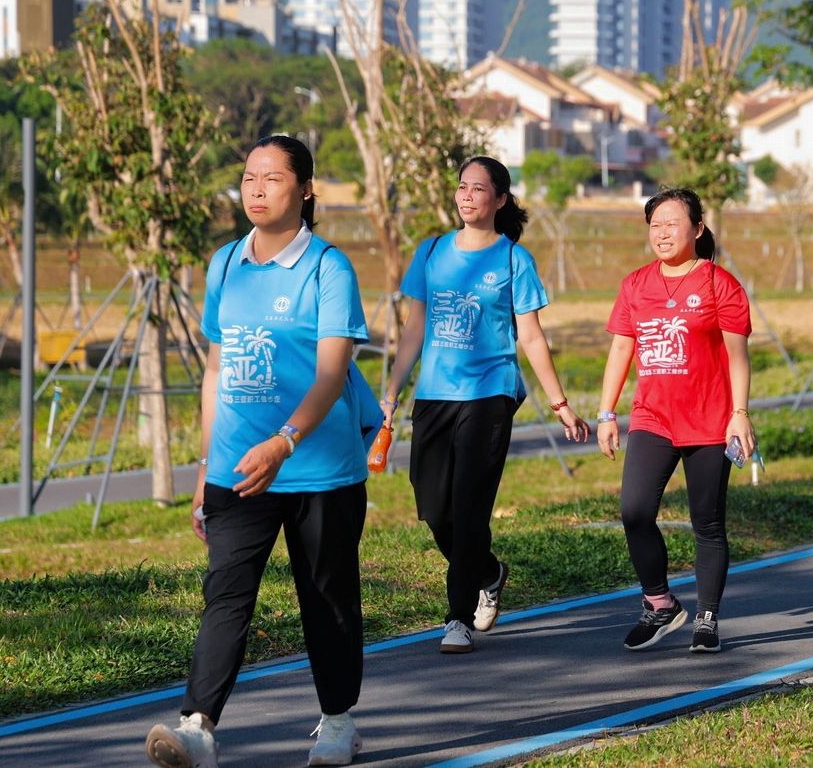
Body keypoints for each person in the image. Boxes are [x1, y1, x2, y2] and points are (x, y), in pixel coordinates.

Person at [146, 135, 370, 768]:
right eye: (248, 177)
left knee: (326, 597)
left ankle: (338, 722)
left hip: (320, 471)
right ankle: (197, 728)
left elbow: (331, 374)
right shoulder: (224, 264)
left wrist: (284, 441)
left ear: (305, 190)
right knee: (226, 594)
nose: (257, 189)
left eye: (273, 178)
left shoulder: (329, 268)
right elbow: (217, 371)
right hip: (238, 469)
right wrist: (204, 469)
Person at [382, 155, 589, 656]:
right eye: (462, 186)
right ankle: (490, 572)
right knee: (434, 508)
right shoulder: (431, 251)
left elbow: (531, 337)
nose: (467, 195)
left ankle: (456, 619)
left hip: (490, 393)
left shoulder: (514, 259)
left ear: (500, 199)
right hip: (435, 393)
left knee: (469, 506)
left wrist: (559, 403)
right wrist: (389, 394)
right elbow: (414, 329)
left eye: (478, 188)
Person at [596, 187, 754, 655]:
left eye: (672, 223)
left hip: (710, 421)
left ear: (698, 229)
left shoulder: (720, 284)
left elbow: (738, 356)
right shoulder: (635, 284)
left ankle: (707, 616)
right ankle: (660, 603)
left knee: (707, 522)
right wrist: (607, 413)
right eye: (655, 225)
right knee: (634, 511)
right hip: (653, 418)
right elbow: (621, 348)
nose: (662, 233)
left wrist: (740, 414)